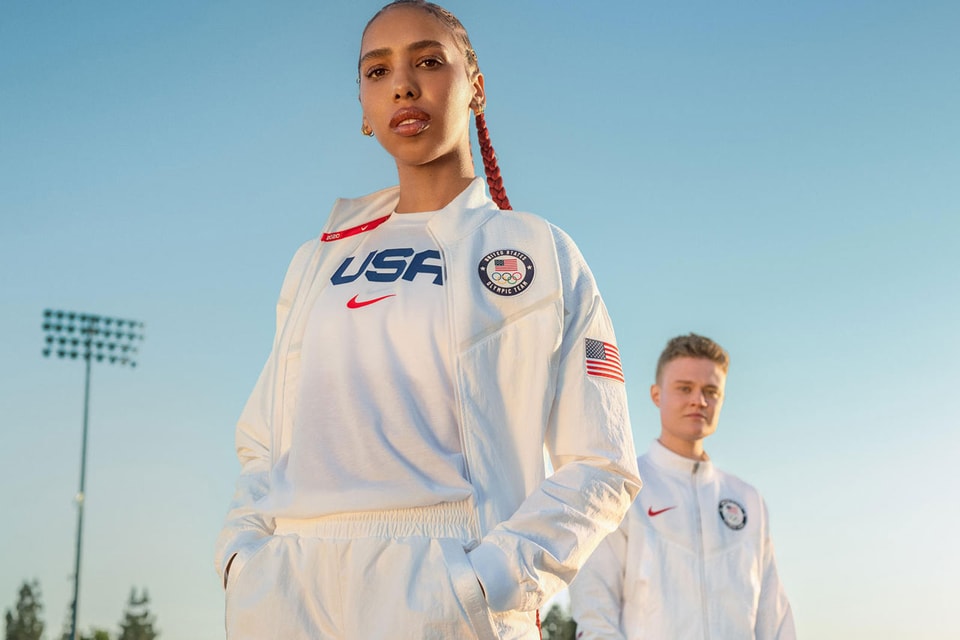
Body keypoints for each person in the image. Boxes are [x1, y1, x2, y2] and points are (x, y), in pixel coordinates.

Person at [213, 2, 641, 638]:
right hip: (287, 594)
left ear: (476, 86)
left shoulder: (537, 251)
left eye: (428, 61)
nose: (403, 85)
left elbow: (602, 465)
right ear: (363, 107)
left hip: (447, 592)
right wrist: (242, 558)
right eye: (377, 71)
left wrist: (486, 579)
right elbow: (263, 442)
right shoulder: (318, 258)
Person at [569, 333, 796, 639]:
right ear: (656, 394)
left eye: (711, 391)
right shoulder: (621, 488)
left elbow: (774, 617)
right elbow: (595, 613)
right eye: (684, 388)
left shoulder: (748, 501)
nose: (698, 400)